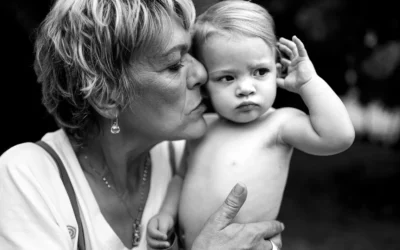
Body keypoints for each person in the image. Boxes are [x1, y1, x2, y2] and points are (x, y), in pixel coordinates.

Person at [0, 0, 285, 249]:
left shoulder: (190, 156)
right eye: (174, 64)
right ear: (107, 97)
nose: (200, 72)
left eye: (192, 54)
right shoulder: (29, 175)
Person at [146, 1, 355, 249]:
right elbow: (181, 177)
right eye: (227, 77)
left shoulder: (278, 125)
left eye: (259, 71)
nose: (246, 88)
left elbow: (339, 137)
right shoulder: (202, 128)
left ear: (277, 68)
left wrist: (308, 83)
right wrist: (167, 214)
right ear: (206, 84)